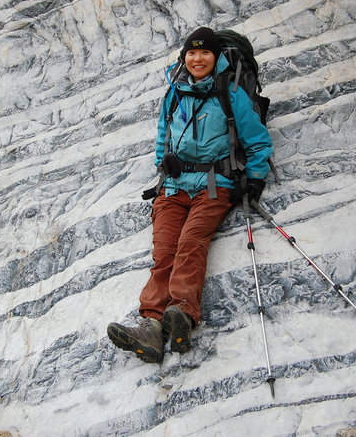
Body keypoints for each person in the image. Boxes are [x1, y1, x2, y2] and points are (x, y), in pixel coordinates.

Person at [107, 27, 273, 363]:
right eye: (192, 53)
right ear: (185, 57)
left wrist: (254, 180)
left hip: (215, 185)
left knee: (191, 242)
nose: (198, 59)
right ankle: (151, 327)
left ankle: (181, 313)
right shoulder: (175, 92)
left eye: (205, 53)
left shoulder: (231, 94)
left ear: (216, 57)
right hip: (173, 185)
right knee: (164, 252)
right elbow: (162, 133)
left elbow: (258, 141)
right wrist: (161, 162)